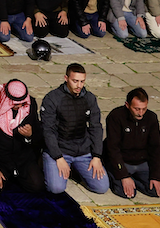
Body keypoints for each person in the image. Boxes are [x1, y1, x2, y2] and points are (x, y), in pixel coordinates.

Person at [40, 63, 109, 194]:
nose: (79, 85)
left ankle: (76, 171)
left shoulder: (89, 98)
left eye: (82, 81)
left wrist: (97, 156)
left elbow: (96, 127)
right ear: (66, 78)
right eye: (75, 81)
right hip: (60, 151)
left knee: (102, 187)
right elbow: (47, 130)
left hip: (83, 152)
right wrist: (58, 157)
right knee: (56, 188)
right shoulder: (52, 98)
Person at [0, 79, 43, 193]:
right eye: (17, 104)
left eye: (23, 103)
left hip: (22, 158)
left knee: (37, 185)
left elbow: (39, 133)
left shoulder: (30, 104)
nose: (21, 105)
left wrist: (30, 135)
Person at [104, 88, 160, 199]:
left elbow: (156, 148)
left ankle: (134, 181)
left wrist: (156, 176)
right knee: (126, 193)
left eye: (144, 109)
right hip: (123, 161)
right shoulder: (116, 117)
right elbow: (113, 148)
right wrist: (123, 176)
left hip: (142, 163)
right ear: (127, 105)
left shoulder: (151, 118)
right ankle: (116, 176)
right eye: (137, 109)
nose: (140, 113)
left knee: (155, 191)